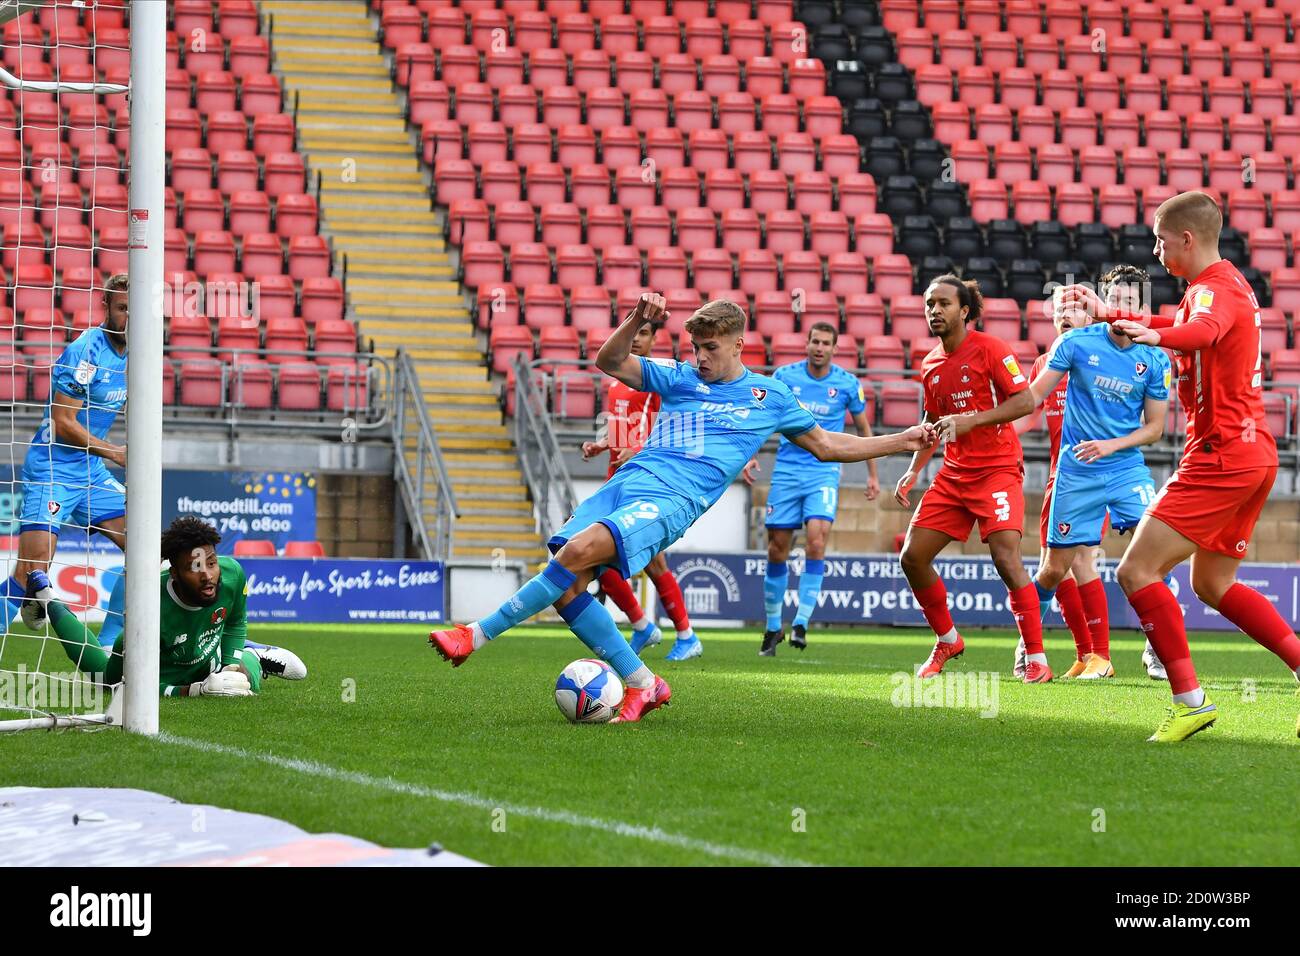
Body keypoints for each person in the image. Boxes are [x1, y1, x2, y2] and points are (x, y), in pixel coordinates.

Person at [429, 294, 935, 722]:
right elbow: (610, 362)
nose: (701, 358)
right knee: (570, 588)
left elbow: (827, 445)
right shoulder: (679, 377)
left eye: (711, 348)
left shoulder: (769, 395)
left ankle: (474, 635)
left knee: (571, 557)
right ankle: (643, 682)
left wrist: (902, 441)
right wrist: (637, 321)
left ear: (739, 344)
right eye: (696, 347)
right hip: (626, 483)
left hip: (673, 499)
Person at [1062, 190, 1300, 741]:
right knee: (1214, 584)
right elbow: (1189, 322)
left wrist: (1155, 335)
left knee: (1134, 570)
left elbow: (1202, 332)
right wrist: (1115, 314)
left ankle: (1189, 701)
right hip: (1249, 453)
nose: (1156, 248)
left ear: (1186, 239)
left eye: (1160, 239)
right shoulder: (1213, 287)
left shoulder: (1216, 292)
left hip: (1222, 456)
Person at [894, 276, 1047, 683]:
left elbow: (1026, 401)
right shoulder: (929, 364)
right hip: (953, 474)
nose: (934, 311)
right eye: (929, 304)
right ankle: (947, 639)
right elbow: (932, 421)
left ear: (964, 311)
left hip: (997, 469)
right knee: (912, 557)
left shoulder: (991, 349)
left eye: (943, 303)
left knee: (1006, 560)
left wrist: (972, 420)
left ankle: (1035, 656)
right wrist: (913, 468)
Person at [1024, 285, 1171, 680]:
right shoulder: (1059, 356)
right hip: (1068, 475)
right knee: (1054, 569)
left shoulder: (1148, 358)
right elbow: (1026, 408)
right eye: (1058, 310)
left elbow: (1156, 426)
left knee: (1150, 545)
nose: (1065, 315)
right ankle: (1060, 650)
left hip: (1118, 469)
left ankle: (1118, 652)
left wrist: (1111, 445)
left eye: (1074, 308)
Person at [27, 516, 306, 698]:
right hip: (137, 637)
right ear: (174, 573)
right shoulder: (147, 613)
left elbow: (235, 620)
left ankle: (250, 655)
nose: (208, 574)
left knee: (240, 685)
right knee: (105, 680)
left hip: (197, 650)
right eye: (194, 568)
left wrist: (233, 666)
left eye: (211, 562)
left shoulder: (232, 574)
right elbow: (128, 685)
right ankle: (49, 598)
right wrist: (190, 691)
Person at [4, 274, 130, 632]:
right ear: (105, 307)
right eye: (122, 308)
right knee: (32, 569)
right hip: (53, 469)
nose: (129, 316)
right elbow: (62, 421)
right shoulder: (86, 350)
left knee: (147, 548)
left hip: (92, 473)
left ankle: (108, 642)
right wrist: (116, 454)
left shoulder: (139, 354)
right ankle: (29, 594)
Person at [580, 316, 701, 661]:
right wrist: (602, 444)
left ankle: (681, 633)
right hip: (617, 476)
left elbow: (678, 428)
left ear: (653, 339)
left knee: (647, 563)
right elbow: (622, 426)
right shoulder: (617, 381)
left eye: (643, 333)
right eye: (632, 332)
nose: (635, 339)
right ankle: (647, 626)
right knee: (607, 564)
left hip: (646, 479)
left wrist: (642, 448)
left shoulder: (657, 380)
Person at [757, 321, 879, 656]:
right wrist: (751, 456)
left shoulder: (847, 384)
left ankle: (802, 623)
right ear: (807, 344)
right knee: (776, 550)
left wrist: (872, 473)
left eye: (826, 343)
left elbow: (863, 430)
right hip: (787, 472)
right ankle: (772, 627)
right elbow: (761, 417)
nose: (819, 347)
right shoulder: (784, 377)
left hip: (823, 473)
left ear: (834, 348)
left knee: (816, 541)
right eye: (815, 341)